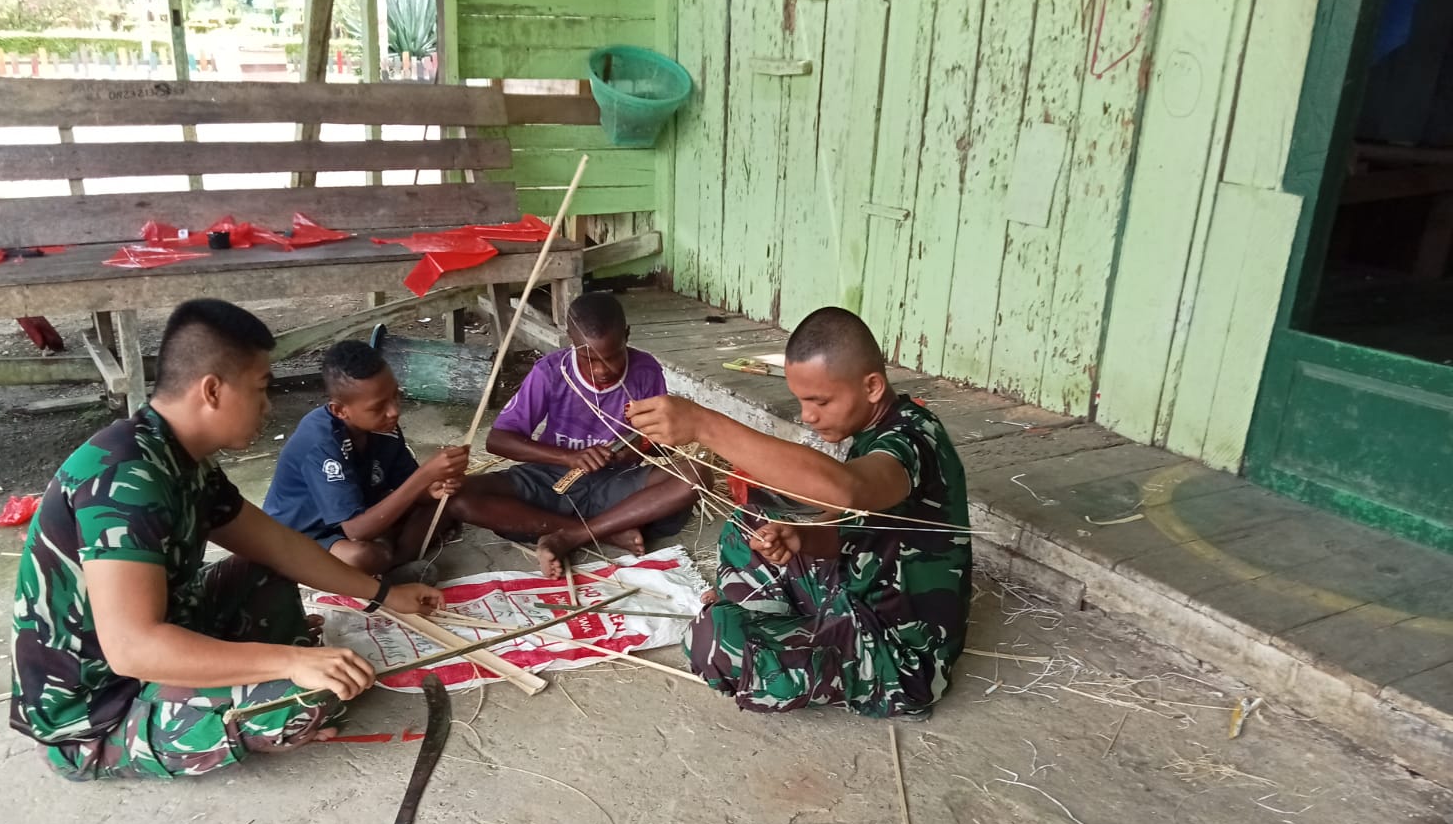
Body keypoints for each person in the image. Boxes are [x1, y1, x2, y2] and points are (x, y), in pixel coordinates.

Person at [8, 299, 444, 781]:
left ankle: (248, 677)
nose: (267, 406)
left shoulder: (176, 455)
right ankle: (129, 740)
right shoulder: (126, 478)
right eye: (260, 388)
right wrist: (291, 661)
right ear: (212, 390)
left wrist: (384, 595)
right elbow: (133, 649)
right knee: (311, 697)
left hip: (163, 638)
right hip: (101, 706)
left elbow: (278, 545)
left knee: (272, 574)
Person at [627, 306, 972, 718]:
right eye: (802, 401)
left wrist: (705, 426)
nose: (808, 416)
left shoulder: (913, 440)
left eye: (820, 401)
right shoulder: (874, 430)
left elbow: (849, 490)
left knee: (713, 642)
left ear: (872, 386)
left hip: (898, 656)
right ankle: (774, 625)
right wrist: (802, 538)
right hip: (854, 597)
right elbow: (860, 527)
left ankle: (782, 637)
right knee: (749, 524)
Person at [453, 291, 702, 577]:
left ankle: (570, 535)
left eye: (611, 357)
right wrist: (569, 457)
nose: (600, 370)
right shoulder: (550, 372)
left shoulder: (646, 371)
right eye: (588, 358)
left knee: (695, 476)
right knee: (459, 496)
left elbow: (661, 444)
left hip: (615, 483)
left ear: (626, 335)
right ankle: (604, 531)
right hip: (550, 479)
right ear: (570, 340)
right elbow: (498, 440)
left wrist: (635, 450)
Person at [262, 340, 468, 579]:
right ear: (340, 411)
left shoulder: (383, 428)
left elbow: (408, 486)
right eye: (378, 407)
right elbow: (357, 531)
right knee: (363, 557)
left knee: (444, 503)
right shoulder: (321, 442)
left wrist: (433, 487)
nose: (394, 411)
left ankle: (396, 562)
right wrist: (424, 476)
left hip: (361, 515)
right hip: (304, 535)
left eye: (395, 396)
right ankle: (392, 559)